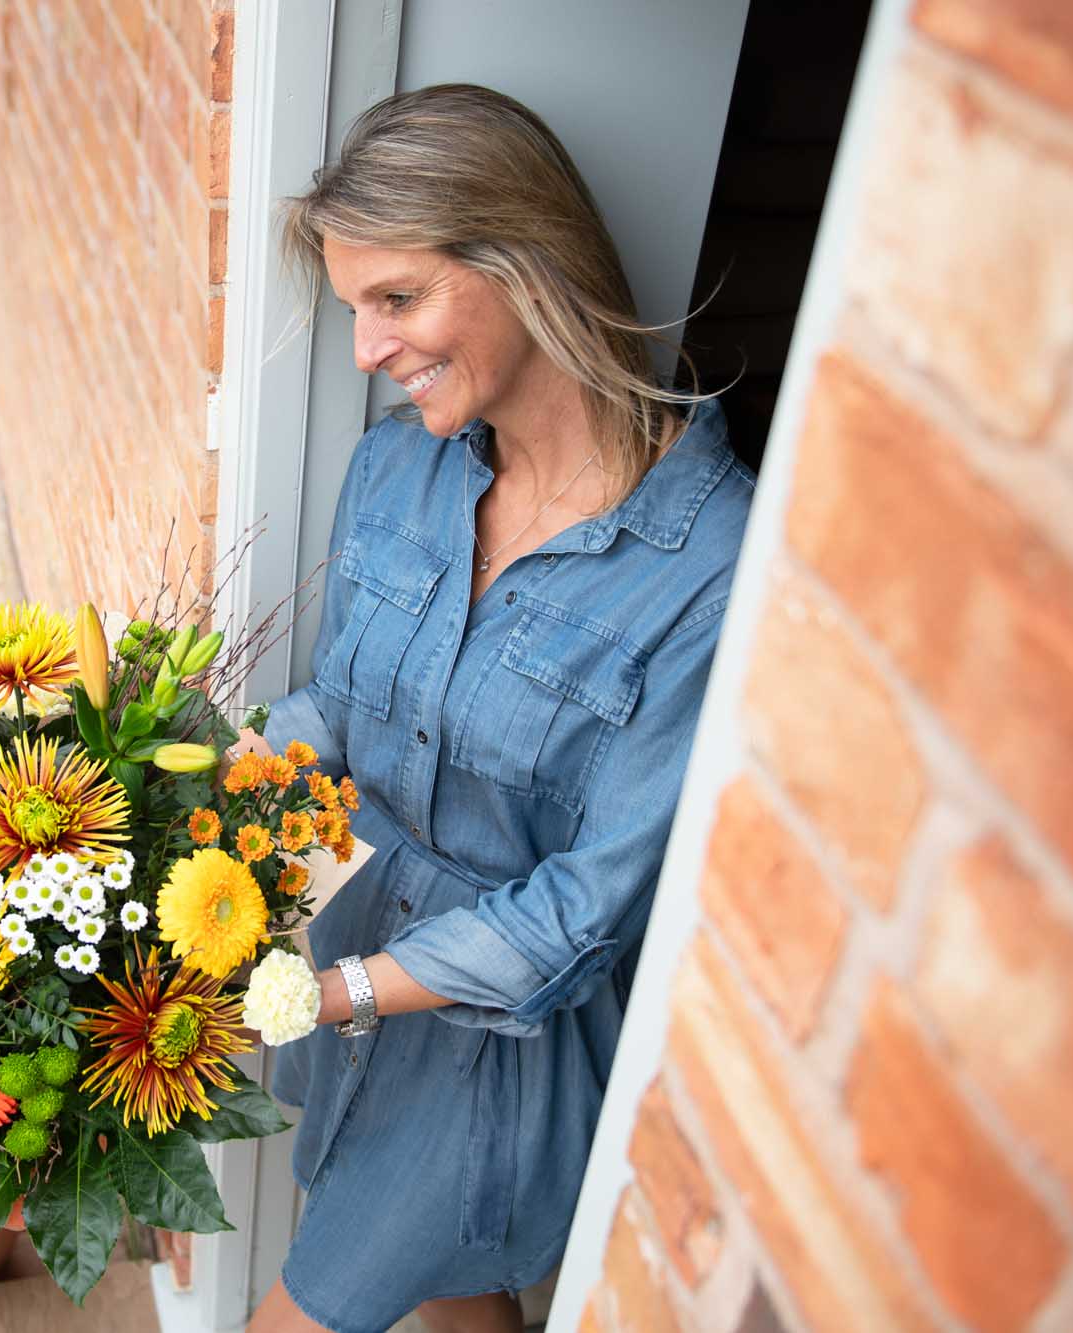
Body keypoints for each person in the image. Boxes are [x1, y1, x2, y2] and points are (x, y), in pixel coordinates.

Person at [250, 85, 754, 1333]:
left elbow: (592, 904)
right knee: (459, 1300)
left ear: (523, 263)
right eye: (355, 307)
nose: (365, 349)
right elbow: (338, 708)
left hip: (489, 1048)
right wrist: (187, 796)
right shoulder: (397, 465)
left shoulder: (713, 565)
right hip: (338, 954)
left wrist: (345, 990)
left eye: (395, 300)